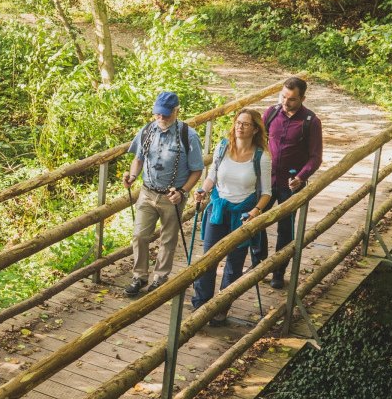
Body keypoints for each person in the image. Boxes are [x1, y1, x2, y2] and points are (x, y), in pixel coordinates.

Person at [191, 109, 272, 326]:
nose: (240, 127)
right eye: (238, 122)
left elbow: (266, 193)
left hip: (243, 214)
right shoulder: (222, 147)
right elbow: (212, 176)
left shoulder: (261, 158)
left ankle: (221, 307)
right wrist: (204, 191)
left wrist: (255, 212)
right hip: (218, 209)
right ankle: (201, 304)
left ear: (255, 129)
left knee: (234, 264)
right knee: (209, 258)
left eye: (246, 124)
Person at [121, 91, 204, 297]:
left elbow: (197, 169)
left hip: (172, 196)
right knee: (139, 235)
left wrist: (183, 191)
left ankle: (160, 277)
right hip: (148, 192)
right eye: (158, 114)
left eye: (166, 114)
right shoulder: (148, 130)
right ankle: (139, 276)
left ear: (176, 111)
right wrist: (132, 175)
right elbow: (138, 159)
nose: (161, 118)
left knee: (168, 238)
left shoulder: (188, 135)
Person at [259, 76, 323, 288]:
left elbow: (315, 157)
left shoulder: (310, 122)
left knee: (285, 230)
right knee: (256, 220)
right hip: (267, 181)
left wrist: (301, 177)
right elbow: (259, 142)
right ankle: (259, 265)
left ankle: (278, 272)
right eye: (283, 96)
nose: (286, 102)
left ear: (302, 98)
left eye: (292, 99)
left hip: (291, 184)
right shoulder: (271, 113)